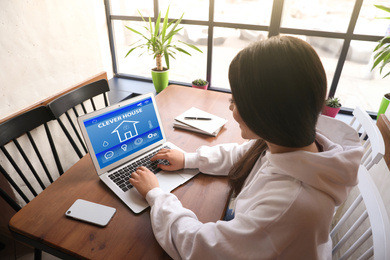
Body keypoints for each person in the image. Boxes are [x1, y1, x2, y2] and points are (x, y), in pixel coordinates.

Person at [129, 36, 364, 259]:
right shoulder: (295, 143)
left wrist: (156, 194)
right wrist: (189, 159)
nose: (232, 108)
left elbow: (198, 247)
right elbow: (242, 154)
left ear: (266, 112)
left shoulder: (288, 207)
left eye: (237, 100)